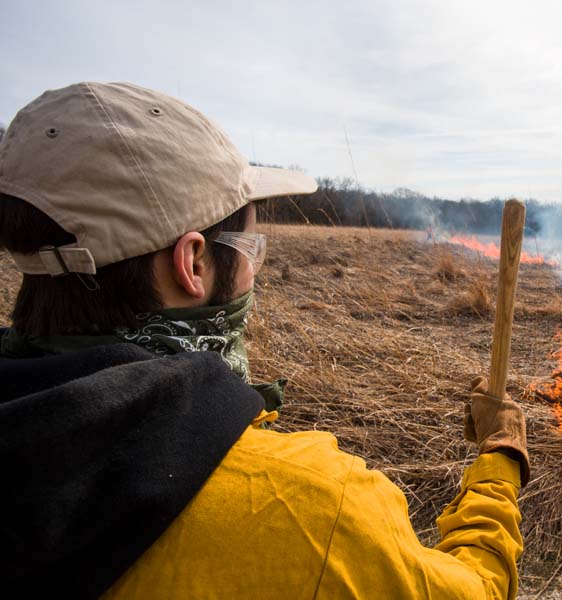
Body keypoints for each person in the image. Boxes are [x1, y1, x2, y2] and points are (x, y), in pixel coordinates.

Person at [0, 82, 530, 599]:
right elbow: (475, 590)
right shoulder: (313, 511)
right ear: (194, 264)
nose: (255, 269)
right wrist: (500, 460)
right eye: (250, 247)